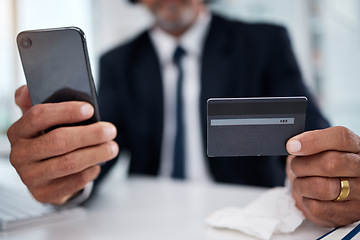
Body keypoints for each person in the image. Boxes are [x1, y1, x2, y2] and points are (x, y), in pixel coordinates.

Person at [7, 0, 360, 228]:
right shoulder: (118, 62)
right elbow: (100, 153)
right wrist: (64, 177)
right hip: (148, 223)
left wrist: (332, 173)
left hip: (246, 219)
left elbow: (312, 134)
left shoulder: (264, 42)